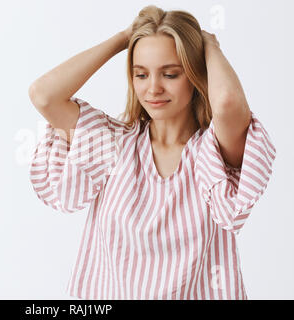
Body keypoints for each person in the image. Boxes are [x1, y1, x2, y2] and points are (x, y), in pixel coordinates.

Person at [28, 5, 276, 300]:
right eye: (141, 74)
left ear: (196, 75)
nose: (153, 88)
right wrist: (124, 38)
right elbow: (44, 95)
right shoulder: (112, 143)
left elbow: (227, 103)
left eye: (170, 74)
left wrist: (208, 44)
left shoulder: (214, 153)